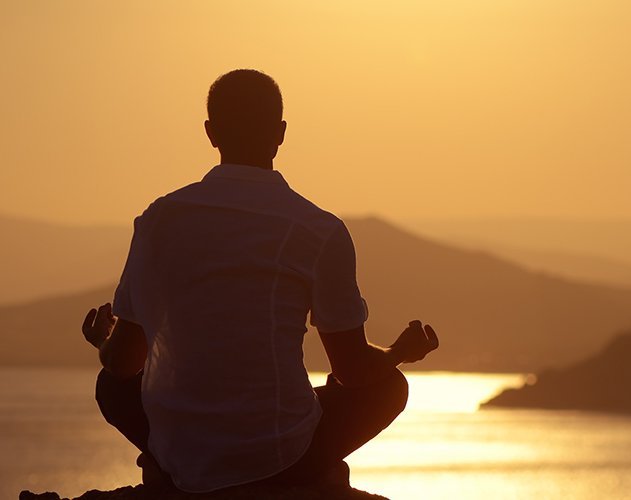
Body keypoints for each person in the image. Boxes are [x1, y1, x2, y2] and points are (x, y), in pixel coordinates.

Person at [80, 69, 439, 494]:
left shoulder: (158, 219)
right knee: (389, 388)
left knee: (111, 385)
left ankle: (173, 469)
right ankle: (305, 479)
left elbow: (122, 363)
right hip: (278, 461)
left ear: (211, 133)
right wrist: (400, 351)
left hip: (182, 454)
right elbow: (354, 371)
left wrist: (106, 338)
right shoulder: (318, 230)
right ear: (281, 133)